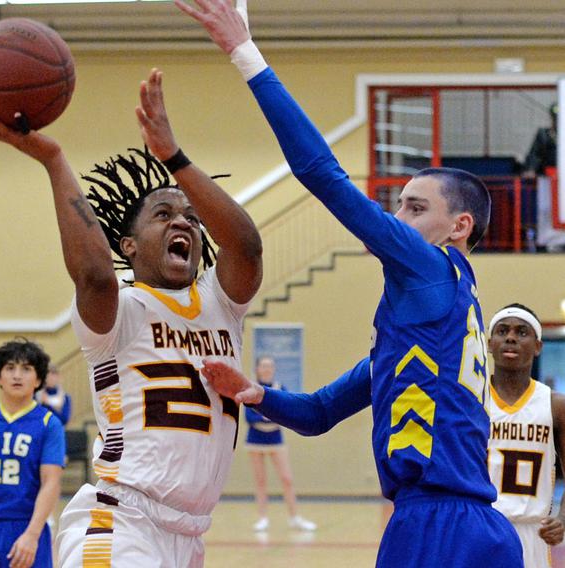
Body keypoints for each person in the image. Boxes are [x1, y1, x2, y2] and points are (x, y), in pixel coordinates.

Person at [180, 0, 521, 565]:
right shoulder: (433, 326)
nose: (398, 218)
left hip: (437, 526)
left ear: (458, 228)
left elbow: (321, 175)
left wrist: (244, 53)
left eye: (414, 208)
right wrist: (256, 393)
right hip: (472, 526)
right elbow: (317, 413)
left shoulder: (432, 269)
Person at [0, 68, 263, 566]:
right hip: (122, 520)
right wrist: (54, 160)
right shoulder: (120, 310)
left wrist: (174, 158)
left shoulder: (222, 302)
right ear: (128, 247)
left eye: (191, 217)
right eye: (163, 215)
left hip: (190, 536)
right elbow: (93, 274)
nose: (183, 221)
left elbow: (246, 244)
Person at [0, 339, 64, 568]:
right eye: (10, 368)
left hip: (24, 526)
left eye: (26, 369)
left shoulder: (48, 423)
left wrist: (32, 535)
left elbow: (51, 483)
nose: (17, 375)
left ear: (38, 379)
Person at [486, 303, 565, 567]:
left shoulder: (555, 405)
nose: (510, 337)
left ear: (538, 346)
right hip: (478, 526)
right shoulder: (470, 400)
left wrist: (562, 519)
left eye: (522, 332)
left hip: (532, 533)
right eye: (502, 331)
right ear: (489, 343)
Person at [244, 356, 315, 532]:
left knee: (287, 478)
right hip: (255, 440)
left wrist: (269, 417)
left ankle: (294, 517)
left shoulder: (280, 388)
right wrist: (270, 417)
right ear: (257, 369)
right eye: (263, 366)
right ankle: (262, 518)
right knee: (260, 481)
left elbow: (286, 414)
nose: (267, 369)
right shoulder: (250, 388)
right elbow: (249, 417)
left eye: (270, 366)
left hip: (276, 440)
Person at [523, 103, 557, 178]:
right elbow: (535, 154)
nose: (558, 122)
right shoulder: (544, 134)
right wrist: (531, 169)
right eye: (555, 119)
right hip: (547, 175)